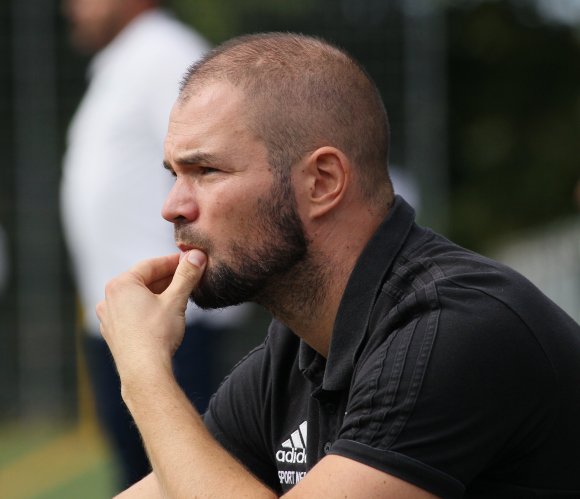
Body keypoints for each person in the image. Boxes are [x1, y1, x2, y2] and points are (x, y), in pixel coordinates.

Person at [96, 33, 580, 498]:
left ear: (322, 182)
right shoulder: (291, 359)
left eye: (206, 171)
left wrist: (144, 372)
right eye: (174, 175)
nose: (173, 207)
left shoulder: (453, 328)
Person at [60, 0, 249, 489]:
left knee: (182, 482)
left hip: (175, 322)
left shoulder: (170, 56)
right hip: (127, 319)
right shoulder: (122, 63)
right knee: (141, 479)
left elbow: (226, 163)